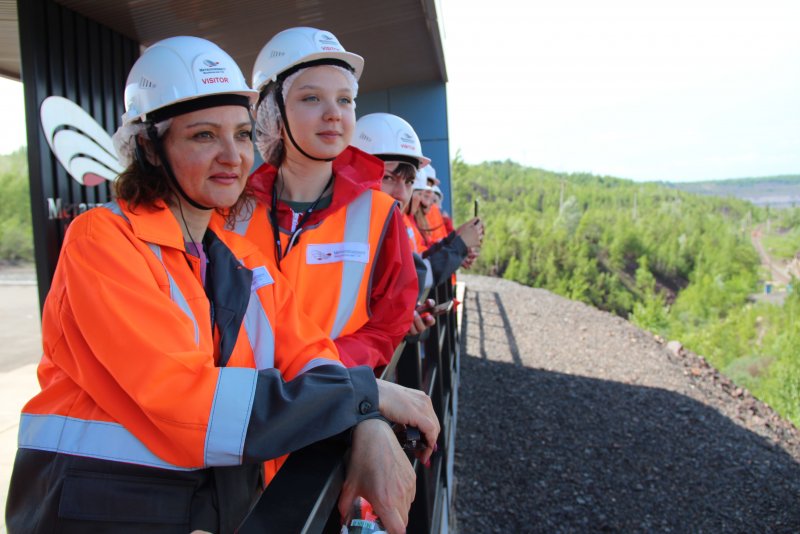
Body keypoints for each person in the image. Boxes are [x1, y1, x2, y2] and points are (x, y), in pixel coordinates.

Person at [5, 36, 438, 534]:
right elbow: (188, 404)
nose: (232, 156)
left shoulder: (239, 258)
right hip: (95, 510)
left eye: (241, 133)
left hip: (199, 507)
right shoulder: (103, 241)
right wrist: (363, 395)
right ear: (148, 145)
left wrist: (365, 419)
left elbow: (309, 352)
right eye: (204, 136)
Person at [231, 27, 418, 371]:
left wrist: (323, 371)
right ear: (272, 112)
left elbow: (390, 320)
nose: (334, 113)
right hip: (246, 407)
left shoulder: (379, 214)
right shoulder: (231, 210)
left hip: (334, 406)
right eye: (312, 98)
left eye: (345, 100)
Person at [352, 113, 482, 333]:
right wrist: (457, 246)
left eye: (410, 182)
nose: (402, 195)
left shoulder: (386, 233)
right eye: (388, 178)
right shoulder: (340, 237)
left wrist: (401, 320)